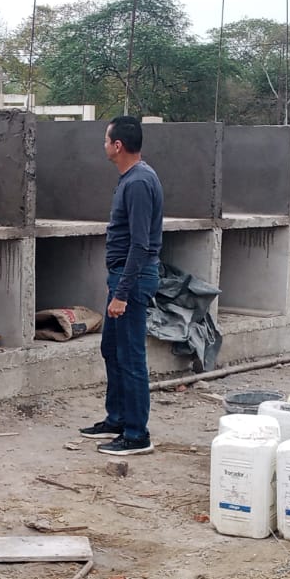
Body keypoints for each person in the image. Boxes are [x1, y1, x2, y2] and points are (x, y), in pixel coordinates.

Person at [80, 116, 164, 457]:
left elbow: (140, 245)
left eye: (106, 140)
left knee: (130, 357)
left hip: (133, 279)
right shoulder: (132, 178)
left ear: (118, 145)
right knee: (112, 349)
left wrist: (122, 293)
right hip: (122, 277)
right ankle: (117, 419)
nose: (103, 145)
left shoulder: (139, 182)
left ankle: (136, 434)